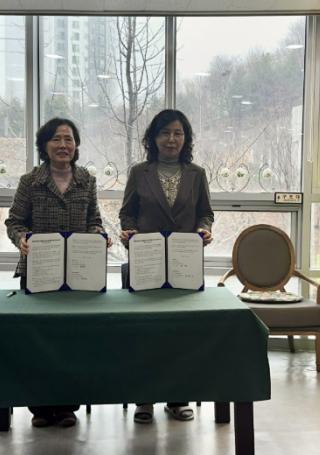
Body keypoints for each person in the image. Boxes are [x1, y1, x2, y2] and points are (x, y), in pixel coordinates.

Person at [5, 117, 111, 428]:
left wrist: (98, 235)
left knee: (72, 342)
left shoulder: (87, 180)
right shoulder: (30, 181)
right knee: (38, 341)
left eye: (69, 139)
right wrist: (21, 238)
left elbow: (94, 221)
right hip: (39, 270)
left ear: (76, 145)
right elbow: (14, 222)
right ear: (44, 145)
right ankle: (39, 408)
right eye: (56, 139)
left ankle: (67, 406)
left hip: (79, 272)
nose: (63, 145)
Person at [119, 109, 214, 424]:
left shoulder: (197, 174)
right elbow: (127, 213)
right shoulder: (139, 172)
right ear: (153, 137)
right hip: (146, 263)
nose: (171, 139)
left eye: (178, 133)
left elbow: (206, 213)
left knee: (181, 334)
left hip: (185, 263)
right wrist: (129, 231)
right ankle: (144, 400)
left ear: (186, 138)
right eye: (165, 133)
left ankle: (178, 398)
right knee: (145, 334)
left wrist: (203, 229)